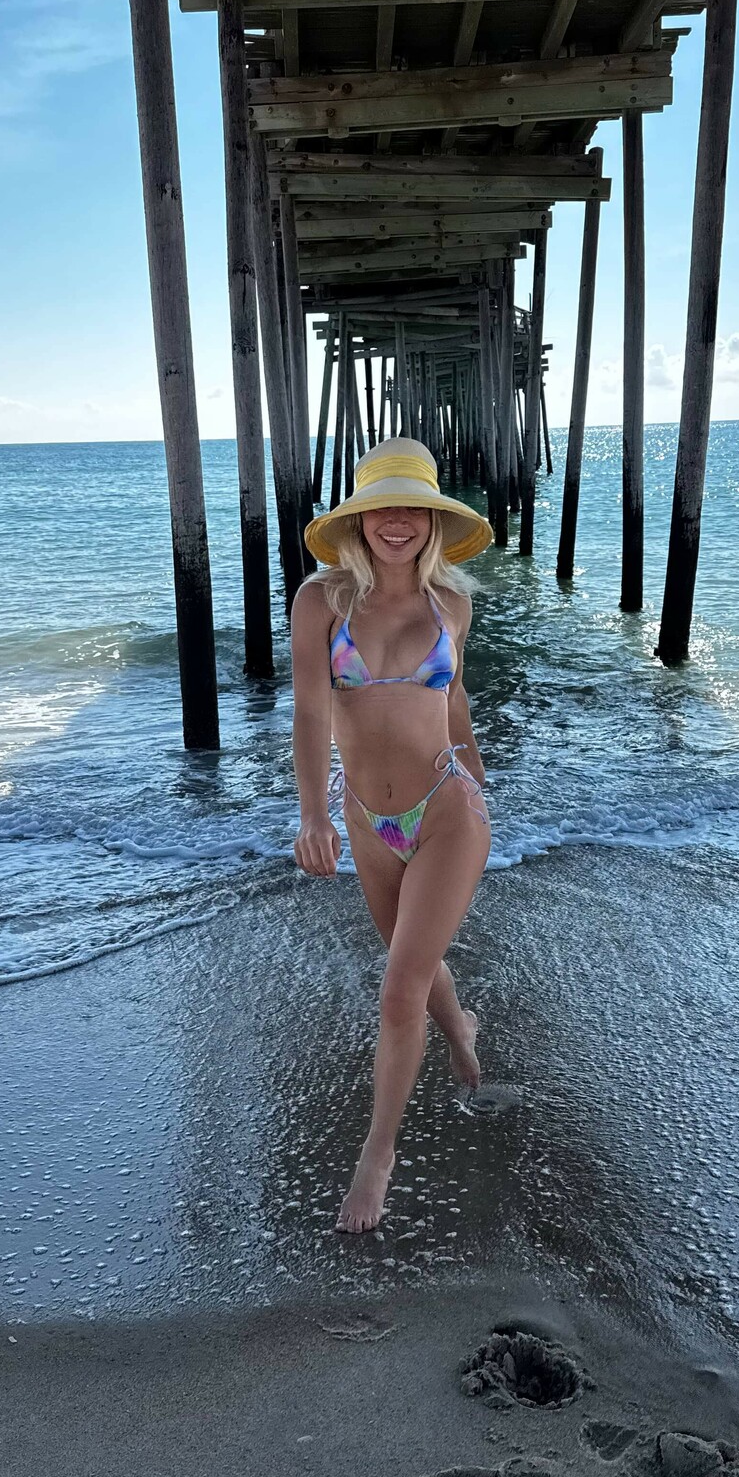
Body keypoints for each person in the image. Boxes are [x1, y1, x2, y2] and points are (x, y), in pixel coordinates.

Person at [290, 436, 496, 1235]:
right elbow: (311, 712)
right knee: (416, 963)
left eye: (414, 508)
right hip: (367, 823)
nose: (398, 522)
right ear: (359, 520)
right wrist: (314, 812)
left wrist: (476, 773)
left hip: (446, 810)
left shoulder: (451, 606)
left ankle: (377, 1156)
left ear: (435, 520)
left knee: (399, 987)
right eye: (383, 508)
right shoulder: (322, 602)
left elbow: (454, 701)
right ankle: (460, 1028)